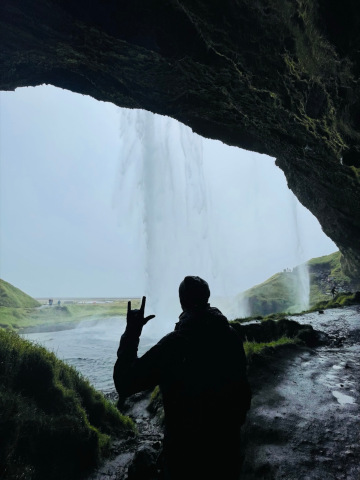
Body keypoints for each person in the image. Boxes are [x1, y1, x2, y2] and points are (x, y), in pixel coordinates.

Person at [113, 276, 251, 480]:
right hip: (226, 451)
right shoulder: (231, 337)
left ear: (182, 301)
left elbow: (124, 383)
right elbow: (243, 393)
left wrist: (132, 332)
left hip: (184, 459)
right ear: (207, 298)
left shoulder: (174, 345)